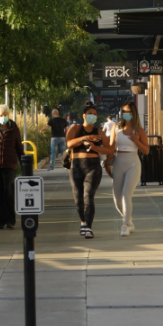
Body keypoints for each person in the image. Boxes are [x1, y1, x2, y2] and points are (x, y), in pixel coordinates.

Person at [66, 103, 113, 239]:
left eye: (94, 114)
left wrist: (94, 147)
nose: (92, 116)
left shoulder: (99, 132)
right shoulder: (75, 128)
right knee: (78, 198)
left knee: (88, 195)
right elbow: (69, 143)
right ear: (84, 115)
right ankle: (83, 222)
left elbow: (109, 149)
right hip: (76, 166)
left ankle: (88, 227)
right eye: (89, 113)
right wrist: (84, 139)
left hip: (93, 166)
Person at [109, 102, 149, 237]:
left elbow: (146, 150)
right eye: (124, 111)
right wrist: (107, 164)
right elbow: (111, 147)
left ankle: (125, 225)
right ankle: (129, 220)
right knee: (117, 199)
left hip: (133, 163)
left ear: (134, 114)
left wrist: (136, 140)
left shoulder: (139, 130)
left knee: (126, 195)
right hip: (118, 162)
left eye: (129, 112)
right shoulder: (116, 128)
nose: (126, 114)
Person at [0, 104, 24, 230]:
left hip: (10, 164)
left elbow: (19, 147)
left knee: (9, 192)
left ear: (8, 114)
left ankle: (10, 221)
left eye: (5, 115)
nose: (3, 118)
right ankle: (0, 221)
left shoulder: (14, 128)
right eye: (1, 115)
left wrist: (24, 163)